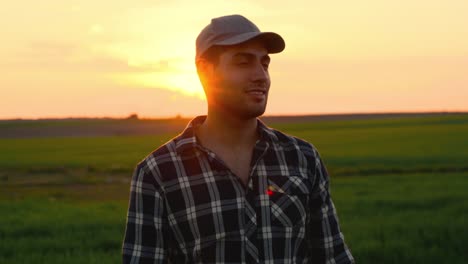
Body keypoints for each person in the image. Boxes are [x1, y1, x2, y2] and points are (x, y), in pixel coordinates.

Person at [122, 14, 354, 263]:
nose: (260, 76)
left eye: (264, 64)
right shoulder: (159, 172)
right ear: (205, 70)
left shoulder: (301, 158)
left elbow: (331, 257)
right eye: (243, 63)